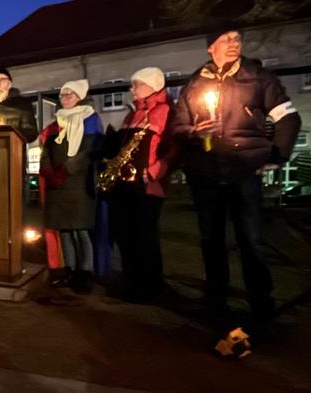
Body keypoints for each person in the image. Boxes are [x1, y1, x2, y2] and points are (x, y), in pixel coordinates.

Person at [171, 25, 301, 349]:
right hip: (206, 175)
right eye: (226, 39)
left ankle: (262, 307)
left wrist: (275, 156)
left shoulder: (258, 78)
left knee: (251, 243)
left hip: (244, 173)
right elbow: (177, 127)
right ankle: (216, 303)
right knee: (211, 242)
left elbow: (288, 118)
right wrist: (194, 133)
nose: (234, 44)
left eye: (237, 38)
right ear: (210, 47)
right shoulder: (194, 85)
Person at [104, 67, 177, 302]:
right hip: (124, 186)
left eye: (136, 84)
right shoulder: (132, 114)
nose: (131, 88)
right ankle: (132, 283)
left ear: (152, 86)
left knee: (144, 237)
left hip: (148, 187)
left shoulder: (166, 111)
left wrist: (156, 171)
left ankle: (151, 287)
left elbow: (174, 148)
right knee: (124, 235)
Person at [39, 80, 103, 294]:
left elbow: (88, 150)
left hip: (77, 185)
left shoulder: (90, 119)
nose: (65, 99)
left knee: (81, 230)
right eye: (62, 95)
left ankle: (85, 272)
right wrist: (48, 171)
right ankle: (69, 269)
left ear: (80, 97)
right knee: (64, 230)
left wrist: (66, 170)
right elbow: (46, 150)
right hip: (57, 186)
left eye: (70, 95)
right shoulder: (55, 123)